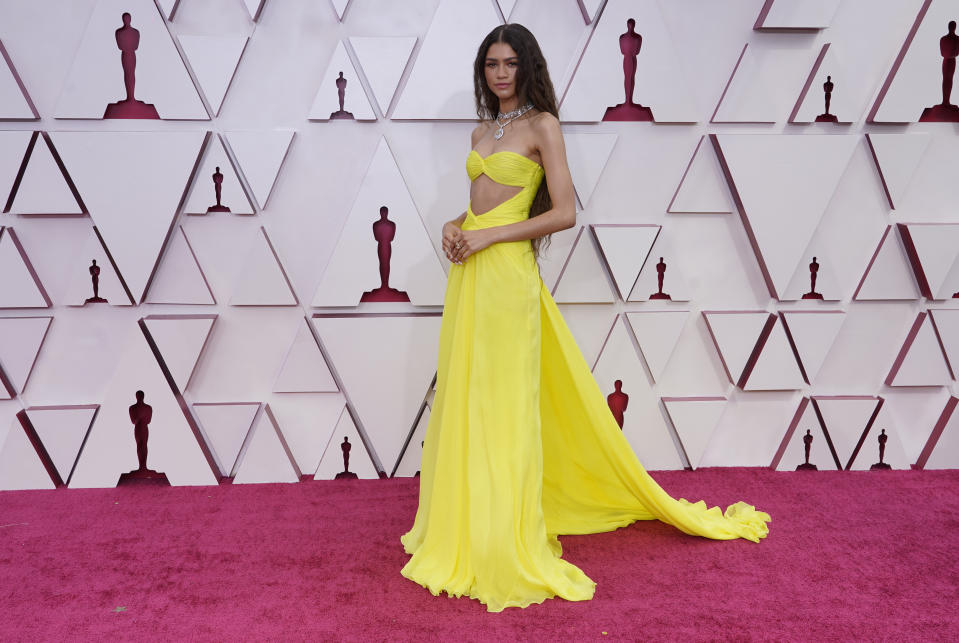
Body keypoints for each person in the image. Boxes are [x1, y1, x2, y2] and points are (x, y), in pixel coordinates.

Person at [400, 23, 770, 612]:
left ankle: (505, 534)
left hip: (507, 279)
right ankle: (465, 524)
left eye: (509, 63)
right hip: (469, 277)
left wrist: (492, 241)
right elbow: (480, 207)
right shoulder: (480, 130)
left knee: (506, 402)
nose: (500, 73)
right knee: (468, 398)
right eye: (491, 64)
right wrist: (455, 226)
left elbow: (565, 213)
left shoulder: (542, 126)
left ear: (527, 68)